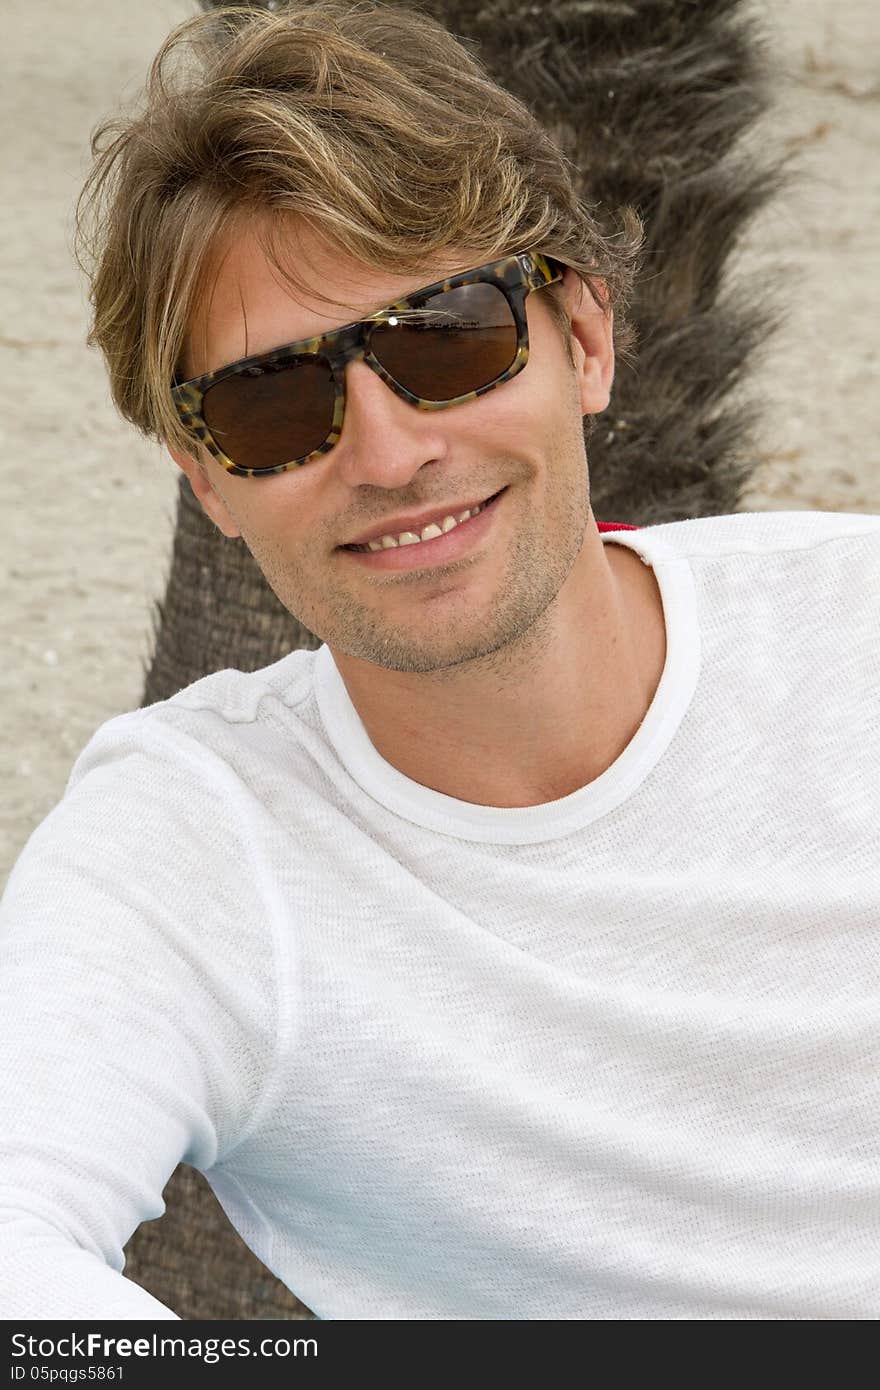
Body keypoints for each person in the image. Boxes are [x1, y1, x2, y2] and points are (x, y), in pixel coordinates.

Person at [2, 0, 879, 1323]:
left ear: (585, 340)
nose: (389, 449)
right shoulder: (194, 843)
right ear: (210, 481)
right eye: (270, 403)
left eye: (446, 338)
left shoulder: (849, 631)